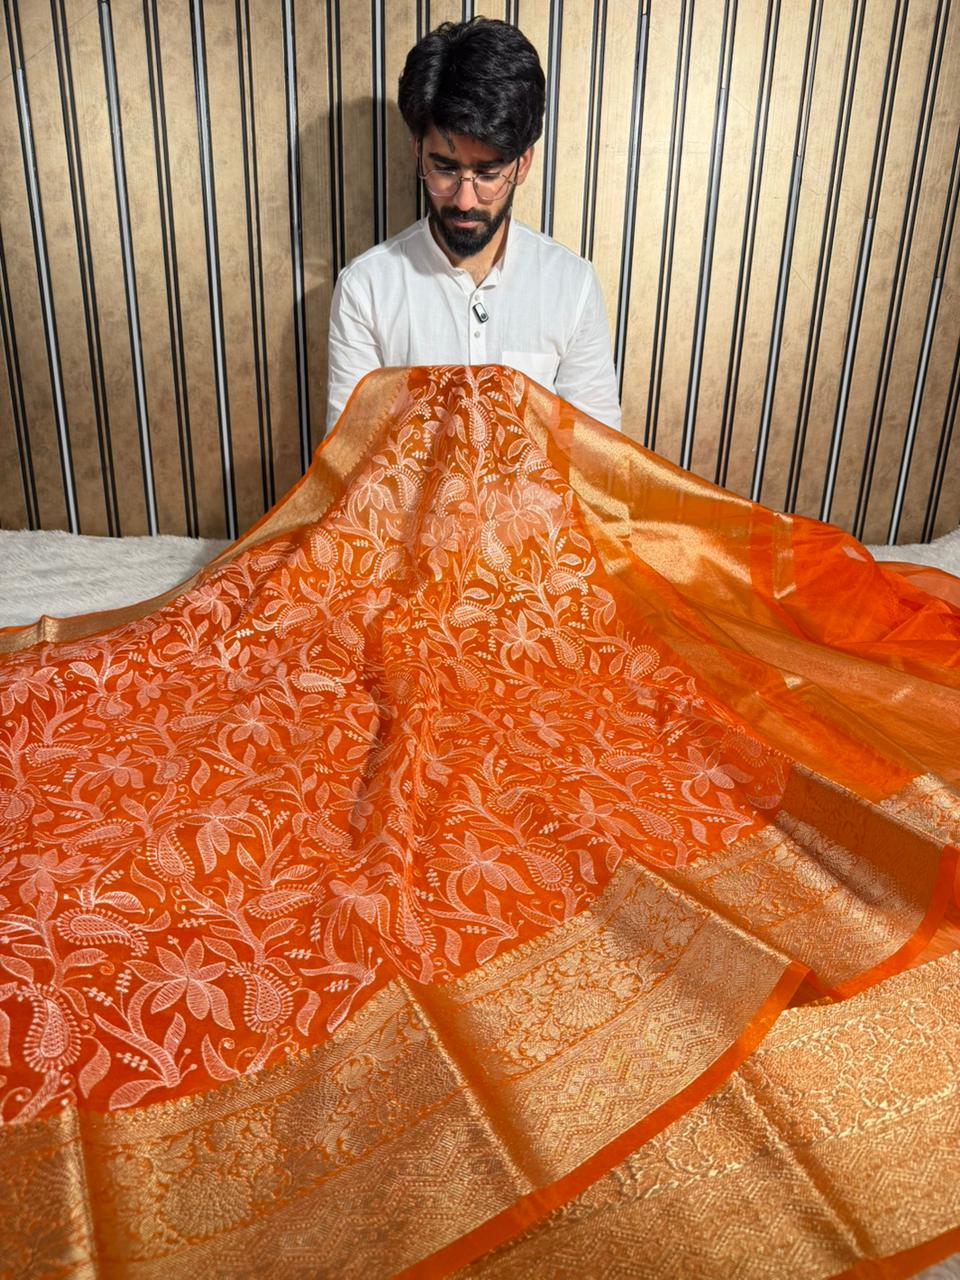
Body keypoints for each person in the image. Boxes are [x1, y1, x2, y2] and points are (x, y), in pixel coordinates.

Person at [325, 16, 622, 432]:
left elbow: (596, 451)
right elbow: (350, 455)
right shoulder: (366, 289)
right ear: (417, 152)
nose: (464, 200)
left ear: (522, 163)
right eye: (444, 169)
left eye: (487, 173)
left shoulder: (571, 286)